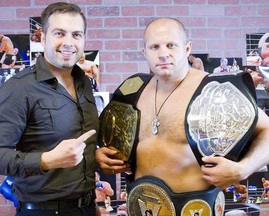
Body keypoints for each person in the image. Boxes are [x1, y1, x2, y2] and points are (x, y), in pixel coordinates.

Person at [95, 17, 269, 216]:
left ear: (187, 49)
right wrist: (104, 157)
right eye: (154, 47)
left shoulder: (216, 91)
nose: (163, 54)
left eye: (171, 45)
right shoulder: (132, 92)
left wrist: (244, 169)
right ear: (145, 52)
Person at [0, 2, 99, 216]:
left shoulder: (84, 83)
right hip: (42, 211)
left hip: (87, 208)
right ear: (43, 39)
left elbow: (74, 146)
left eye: (76, 35)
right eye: (59, 33)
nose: (68, 42)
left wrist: (96, 157)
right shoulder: (19, 88)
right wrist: (48, 160)